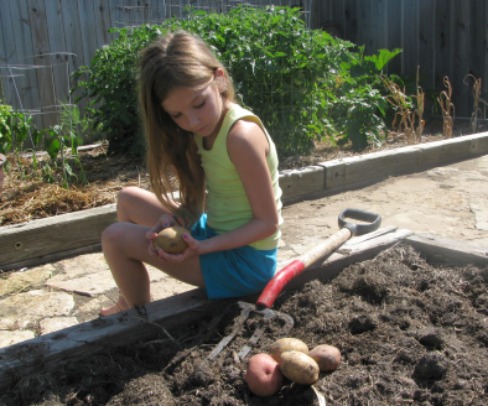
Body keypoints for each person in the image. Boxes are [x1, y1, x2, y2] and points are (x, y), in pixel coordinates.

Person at [100, 31, 283, 316]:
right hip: (216, 233)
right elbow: (199, 203)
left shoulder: (241, 137)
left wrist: (202, 247)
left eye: (198, 104)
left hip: (246, 262)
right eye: (177, 115)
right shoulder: (204, 130)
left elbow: (267, 223)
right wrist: (178, 218)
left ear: (219, 78)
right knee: (128, 198)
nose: (192, 121)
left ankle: (137, 319)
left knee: (115, 237)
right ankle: (130, 300)